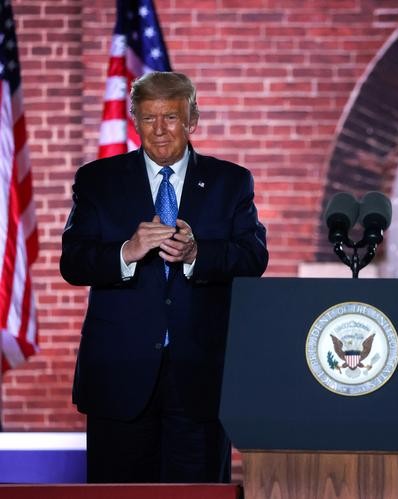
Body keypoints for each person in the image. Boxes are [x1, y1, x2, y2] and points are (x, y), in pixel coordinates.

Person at [60, 71, 268, 483]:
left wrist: (197, 254)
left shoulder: (231, 181)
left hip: (200, 378)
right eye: (149, 117)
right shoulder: (97, 180)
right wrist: (126, 252)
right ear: (134, 120)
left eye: (171, 118)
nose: (159, 130)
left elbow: (253, 257)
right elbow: (74, 262)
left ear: (192, 119)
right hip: (120, 376)